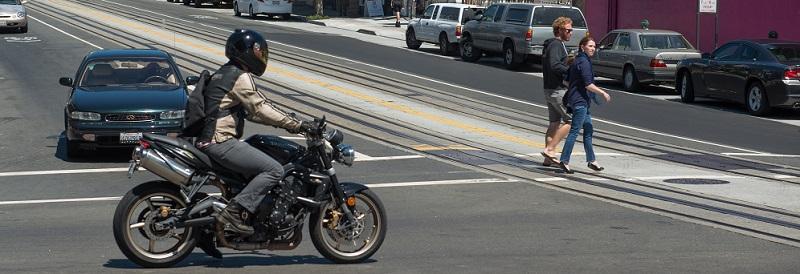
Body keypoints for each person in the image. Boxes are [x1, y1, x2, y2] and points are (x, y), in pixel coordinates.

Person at [199, 29, 313, 235]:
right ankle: (234, 212)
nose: (262, 57)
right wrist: (297, 125)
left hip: (209, 139)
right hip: (220, 141)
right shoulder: (239, 76)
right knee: (274, 170)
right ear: (247, 52)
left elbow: (250, 113)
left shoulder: (223, 72)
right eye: (259, 52)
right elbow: (261, 107)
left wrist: (285, 122)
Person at [558, 36, 611, 174]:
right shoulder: (584, 62)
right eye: (590, 46)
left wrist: (575, 88)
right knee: (575, 131)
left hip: (580, 100)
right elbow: (588, 84)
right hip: (580, 101)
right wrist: (602, 93)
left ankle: (592, 160)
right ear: (583, 47)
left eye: (594, 46)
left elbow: (566, 81)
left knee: (588, 130)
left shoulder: (578, 60)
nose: (593, 49)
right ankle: (564, 160)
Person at [540, 16, 573, 166]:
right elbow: (554, 65)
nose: (570, 33)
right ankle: (550, 149)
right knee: (570, 120)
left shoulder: (551, 45)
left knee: (554, 123)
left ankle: (548, 158)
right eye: (568, 30)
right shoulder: (556, 45)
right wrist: (568, 71)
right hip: (557, 90)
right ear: (560, 30)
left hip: (549, 89)